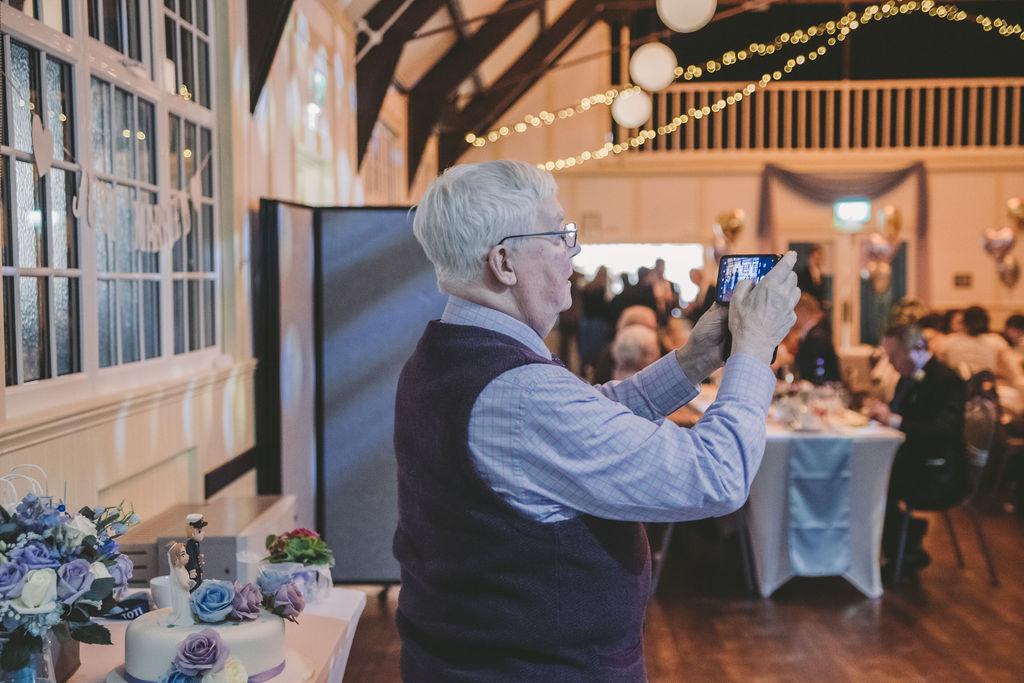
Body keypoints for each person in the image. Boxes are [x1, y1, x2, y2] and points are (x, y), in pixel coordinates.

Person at [393, 159, 800, 682]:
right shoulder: (519, 392)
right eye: (559, 234)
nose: (573, 251)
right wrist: (753, 350)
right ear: (503, 261)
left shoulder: (446, 355)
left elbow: (588, 416)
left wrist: (695, 359)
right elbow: (717, 476)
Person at [862, 323, 966, 581]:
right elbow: (902, 414)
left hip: (938, 471)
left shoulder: (946, 379)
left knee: (874, 482)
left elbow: (943, 432)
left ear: (917, 349)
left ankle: (904, 551)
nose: (890, 362)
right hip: (912, 460)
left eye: (894, 356)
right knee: (867, 474)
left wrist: (893, 420)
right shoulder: (907, 378)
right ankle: (904, 546)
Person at [161, 541, 195, 626]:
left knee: (187, 604)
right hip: (182, 592)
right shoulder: (178, 570)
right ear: (175, 558)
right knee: (184, 605)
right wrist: (188, 586)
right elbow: (182, 583)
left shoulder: (182, 568)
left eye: (186, 553)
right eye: (183, 555)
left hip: (185, 592)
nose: (187, 556)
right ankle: (183, 617)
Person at [184, 513, 207, 592]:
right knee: (194, 586)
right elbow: (190, 558)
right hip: (193, 571)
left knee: (199, 583)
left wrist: (199, 570)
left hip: (197, 569)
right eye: (199, 531)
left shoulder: (196, 543)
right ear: (192, 532)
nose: (203, 533)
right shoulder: (190, 545)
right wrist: (191, 570)